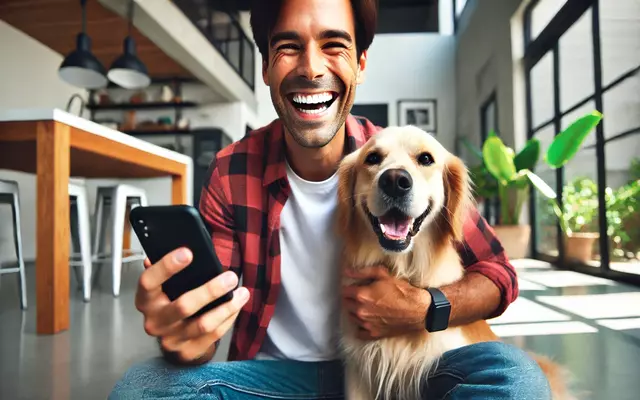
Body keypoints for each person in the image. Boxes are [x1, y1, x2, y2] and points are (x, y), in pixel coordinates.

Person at [109, 0, 551, 398]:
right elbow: (203, 334)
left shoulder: (408, 163)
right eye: (287, 47)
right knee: (142, 388)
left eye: (333, 45)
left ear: (360, 63)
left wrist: (423, 308)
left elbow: (498, 274)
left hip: (409, 372)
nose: (311, 67)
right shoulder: (231, 172)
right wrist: (185, 333)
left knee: (517, 376)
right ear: (265, 67)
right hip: (278, 381)